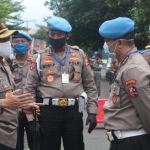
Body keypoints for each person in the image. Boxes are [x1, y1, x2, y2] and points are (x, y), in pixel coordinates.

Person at [24, 17, 98, 150]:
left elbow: (90, 86)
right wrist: (31, 120)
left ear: (67, 36)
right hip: (48, 113)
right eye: (52, 34)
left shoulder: (79, 54)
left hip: (73, 111)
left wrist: (92, 112)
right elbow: (29, 88)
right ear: (48, 34)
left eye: (59, 34)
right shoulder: (39, 57)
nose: (55, 37)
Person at [99, 17, 150, 150]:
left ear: (120, 42)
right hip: (124, 141)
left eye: (107, 42)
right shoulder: (126, 64)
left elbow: (147, 110)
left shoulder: (133, 69)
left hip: (132, 142)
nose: (106, 46)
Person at [0, 21, 42, 150]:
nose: (8, 43)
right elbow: (5, 101)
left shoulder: (4, 65)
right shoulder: (8, 62)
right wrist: (2, 103)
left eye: (7, 39)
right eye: (3, 40)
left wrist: (23, 105)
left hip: (10, 130)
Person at [11, 31, 34, 150]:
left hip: (32, 109)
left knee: (35, 142)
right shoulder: (7, 64)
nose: (20, 44)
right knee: (15, 144)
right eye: (16, 42)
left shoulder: (36, 62)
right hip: (13, 110)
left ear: (29, 44)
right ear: (11, 45)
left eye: (23, 42)